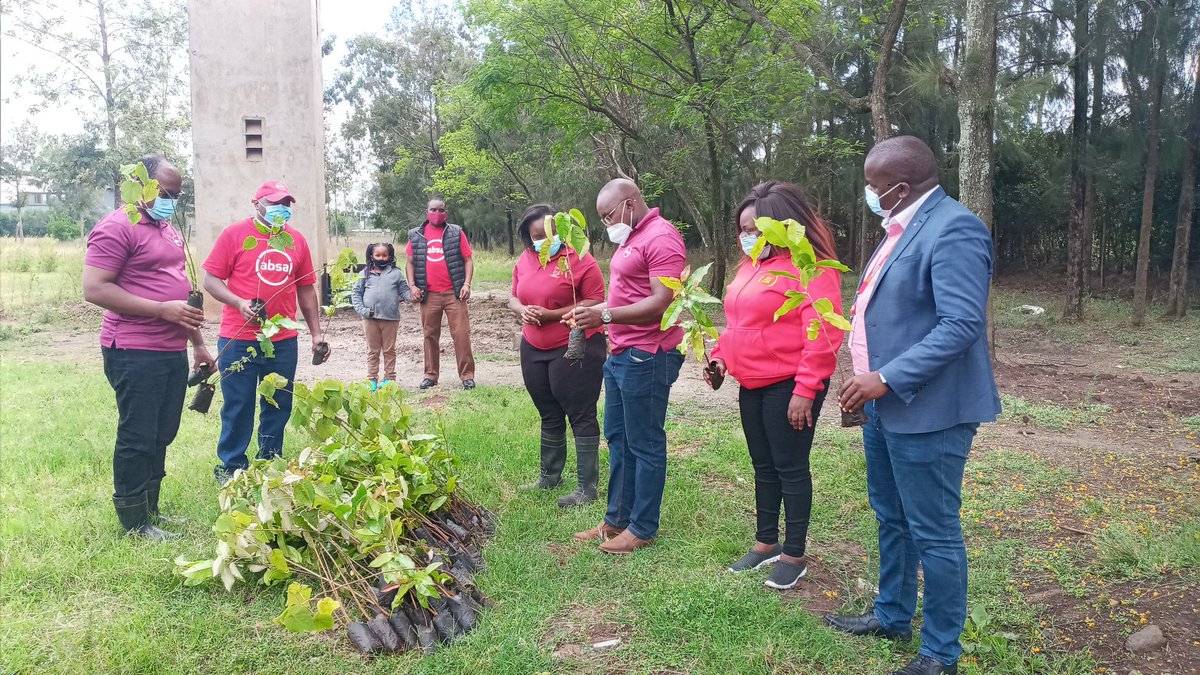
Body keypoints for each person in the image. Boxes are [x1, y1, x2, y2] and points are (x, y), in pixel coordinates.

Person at [827, 136, 1000, 675]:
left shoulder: (955, 228)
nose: (869, 195)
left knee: (934, 529)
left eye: (874, 187)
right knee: (891, 516)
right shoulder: (899, 230)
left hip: (930, 408)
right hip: (884, 403)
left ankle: (940, 652)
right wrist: (865, 379)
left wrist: (885, 377)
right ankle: (892, 614)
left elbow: (962, 324)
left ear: (900, 189)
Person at [706, 181, 844, 590]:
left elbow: (822, 334)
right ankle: (766, 542)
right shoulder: (750, 268)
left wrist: (806, 389)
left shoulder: (809, 267)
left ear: (784, 226)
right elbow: (738, 325)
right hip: (752, 383)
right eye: (743, 230)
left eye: (757, 229)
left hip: (790, 384)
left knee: (790, 467)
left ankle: (795, 553)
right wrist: (720, 359)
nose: (748, 237)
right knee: (763, 466)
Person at [83, 154, 215, 540]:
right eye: (165, 192)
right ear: (143, 186)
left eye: (177, 194)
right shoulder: (117, 227)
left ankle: (150, 509)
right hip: (133, 348)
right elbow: (95, 288)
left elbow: (181, 295)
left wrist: (199, 345)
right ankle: (133, 521)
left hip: (170, 349)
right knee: (138, 433)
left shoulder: (166, 228)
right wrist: (160, 309)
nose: (171, 201)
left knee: (162, 431)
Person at [567, 179, 686, 554]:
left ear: (630, 203)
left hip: (648, 354)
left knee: (645, 441)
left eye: (608, 216)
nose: (606, 225)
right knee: (618, 438)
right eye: (601, 219)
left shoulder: (662, 238)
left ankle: (644, 527)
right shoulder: (631, 236)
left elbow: (661, 302)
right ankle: (616, 518)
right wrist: (600, 317)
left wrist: (603, 314)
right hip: (621, 351)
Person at [202, 180, 331, 482]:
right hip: (239, 338)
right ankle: (232, 466)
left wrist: (315, 333)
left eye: (286, 204)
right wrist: (238, 302)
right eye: (274, 203)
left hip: (283, 340)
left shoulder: (295, 241)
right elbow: (210, 280)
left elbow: (306, 289)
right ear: (255, 203)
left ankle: (269, 461)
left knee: (278, 403)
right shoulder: (234, 235)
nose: (281, 209)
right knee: (239, 404)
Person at [508, 204, 607, 507]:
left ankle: (586, 488)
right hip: (533, 346)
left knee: (581, 414)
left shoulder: (580, 259)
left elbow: (597, 301)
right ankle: (550, 476)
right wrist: (522, 309)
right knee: (548, 412)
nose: (541, 241)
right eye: (535, 236)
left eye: (547, 235)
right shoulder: (525, 260)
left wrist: (552, 314)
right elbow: (513, 296)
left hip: (575, 345)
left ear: (561, 232)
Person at [405, 198, 476, 390]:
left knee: (461, 335)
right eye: (433, 210)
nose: (437, 213)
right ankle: (430, 375)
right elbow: (410, 262)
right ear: (426, 211)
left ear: (446, 212)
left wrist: (467, 284)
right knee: (430, 335)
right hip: (429, 295)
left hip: (455, 294)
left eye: (441, 210)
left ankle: (467, 375)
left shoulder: (456, 232)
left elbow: (468, 260)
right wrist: (412, 286)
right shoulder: (416, 234)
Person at [351, 242, 412, 390]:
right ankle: (372, 379)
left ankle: (390, 379)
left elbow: (404, 292)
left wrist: (415, 295)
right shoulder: (364, 273)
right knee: (373, 350)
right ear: (371, 256)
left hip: (390, 318)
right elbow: (356, 294)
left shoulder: (396, 274)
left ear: (390, 256)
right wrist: (364, 311)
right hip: (369, 319)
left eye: (384, 255)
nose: (381, 258)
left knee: (389, 349)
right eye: (377, 255)